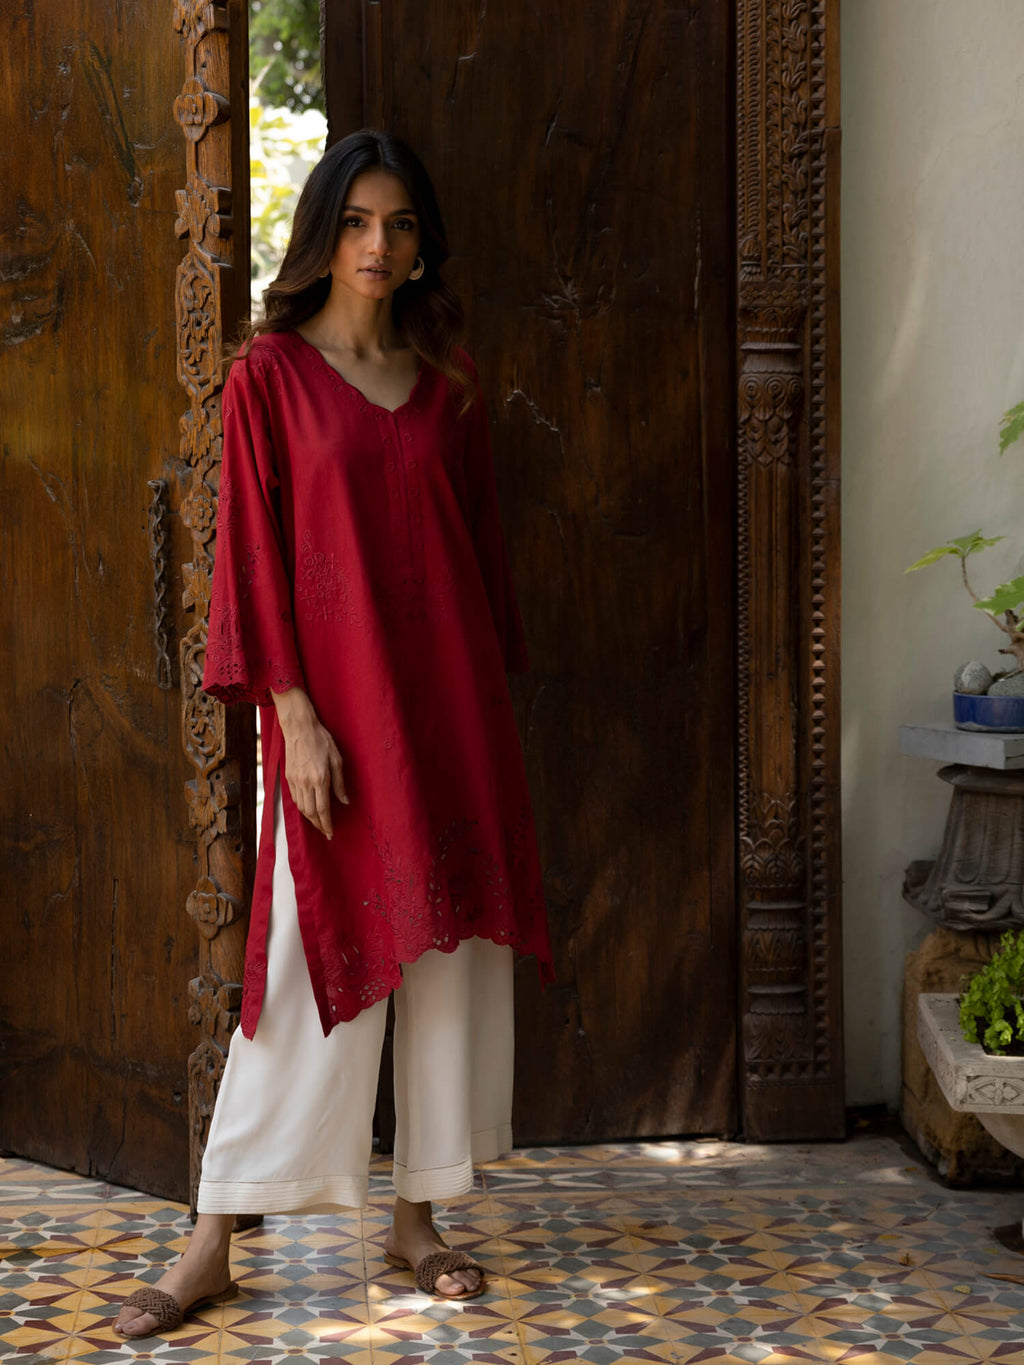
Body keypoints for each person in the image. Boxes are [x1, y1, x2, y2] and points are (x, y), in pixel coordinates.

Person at [114, 129, 553, 1338]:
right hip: (333, 717)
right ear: (321, 234)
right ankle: (214, 1238)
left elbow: (479, 552)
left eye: (399, 224)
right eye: (356, 222)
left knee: (450, 953)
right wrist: (293, 716)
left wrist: (484, 703)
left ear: (422, 245)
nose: (378, 244)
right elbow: (251, 557)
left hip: (451, 704)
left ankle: (419, 1219)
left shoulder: (447, 374)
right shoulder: (269, 375)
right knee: (305, 962)